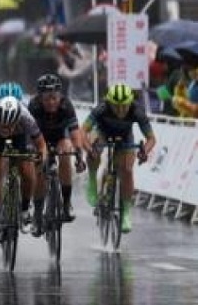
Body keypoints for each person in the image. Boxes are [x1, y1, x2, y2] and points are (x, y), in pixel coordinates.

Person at [81, 83, 156, 233]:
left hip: (125, 137)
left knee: (127, 170)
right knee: (94, 150)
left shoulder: (137, 111)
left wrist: (144, 152)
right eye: (116, 106)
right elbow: (83, 131)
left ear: (130, 102)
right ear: (109, 102)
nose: (121, 110)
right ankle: (92, 179)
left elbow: (151, 139)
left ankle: (126, 212)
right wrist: (89, 149)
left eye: (124, 106)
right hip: (102, 132)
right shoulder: (102, 108)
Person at [0, 96, 48, 243]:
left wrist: (40, 158)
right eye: (3, 125)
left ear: (17, 121)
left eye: (9, 126)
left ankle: (25, 210)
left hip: (21, 137)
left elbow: (41, 145)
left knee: (27, 170)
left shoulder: (27, 120)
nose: (5, 129)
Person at [27, 73, 87, 234]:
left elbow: (75, 133)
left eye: (55, 97)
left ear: (60, 95)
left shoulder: (66, 106)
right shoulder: (33, 106)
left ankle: (66, 204)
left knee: (66, 153)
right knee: (39, 168)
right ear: (40, 98)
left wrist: (79, 156)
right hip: (40, 139)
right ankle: (38, 215)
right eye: (47, 98)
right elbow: (27, 135)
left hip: (61, 137)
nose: (52, 102)